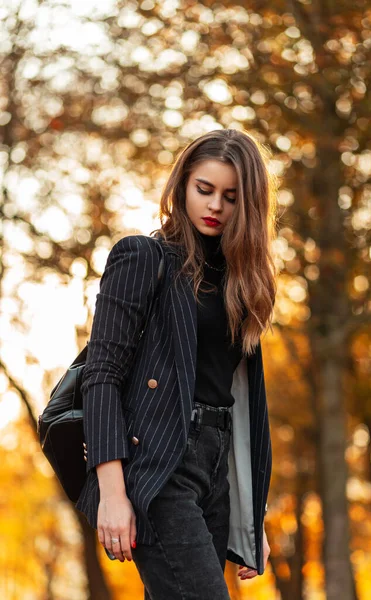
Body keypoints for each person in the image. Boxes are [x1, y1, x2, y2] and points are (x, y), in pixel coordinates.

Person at [75, 128, 277, 599]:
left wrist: (252, 513)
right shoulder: (144, 258)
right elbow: (101, 374)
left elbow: (239, 402)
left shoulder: (241, 284)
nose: (215, 207)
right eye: (204, 190)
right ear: (182, 183)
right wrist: (112, 492)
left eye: (231, 197)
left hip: (216, 471)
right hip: (159, 466)